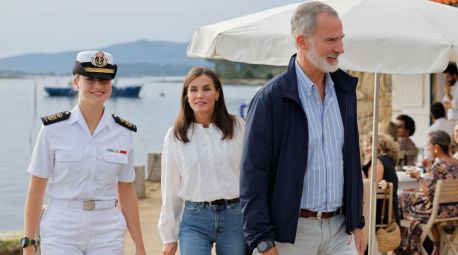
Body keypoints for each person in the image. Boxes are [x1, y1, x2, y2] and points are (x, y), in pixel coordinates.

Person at [240, 2, 366, 255]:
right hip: (290, 235)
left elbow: (351, 161)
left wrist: (357, 222)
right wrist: (262, 241)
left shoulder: (345, 93)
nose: (340, 49)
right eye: (330, 40)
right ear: (302, 41)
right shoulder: (270, 99)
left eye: (341, 39)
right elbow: (253, 175)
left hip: (341, 232)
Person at [22, 51, 146, 255]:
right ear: (76, 82)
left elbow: (126, 191)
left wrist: (139, 246)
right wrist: (29, 243)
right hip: (62, 228)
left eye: (104, 80)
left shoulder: (123, 132)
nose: (98, 86)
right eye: (90, 80)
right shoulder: (53, 129)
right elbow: (36, 189)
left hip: (108, 230)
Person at [158, 67, 246, 255]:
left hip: (235, 216)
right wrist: (169, 236)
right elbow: (170, 187)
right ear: (186, 96)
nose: (200, 95)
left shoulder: (238, 127)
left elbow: (252, 175)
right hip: (194, 218)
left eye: (206, 89)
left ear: (217, 94)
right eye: (193, 90)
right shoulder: (175, 136)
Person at [398, 130, 458, 254]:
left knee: (402, 197)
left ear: (436, 147)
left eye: (429, 145)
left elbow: (430, 196)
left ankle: (406, 246)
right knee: (410, 195)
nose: (428, 148)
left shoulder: (439, 166)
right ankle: (435, 246)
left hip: (439, 212)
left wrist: (419, 178)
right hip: (455, 209)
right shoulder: (455, 163)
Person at [361, 133, 400, 225]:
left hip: (379, 215)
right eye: (364, 146)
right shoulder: (387, 160)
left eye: (369, 145)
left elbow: (370, 189)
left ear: (379, 144)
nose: (365, 149)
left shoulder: (378, 162)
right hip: (390, 212)